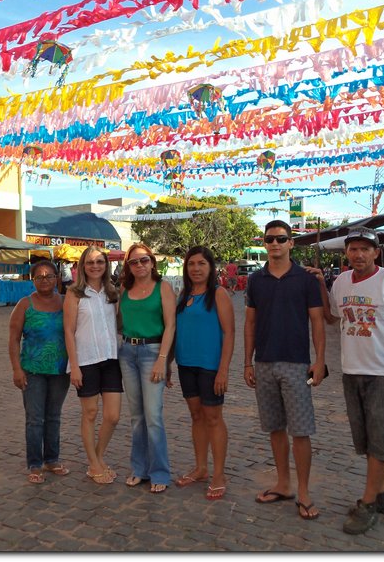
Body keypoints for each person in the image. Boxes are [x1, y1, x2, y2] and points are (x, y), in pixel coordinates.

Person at [313, 227, 384, 535]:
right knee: (367, 440)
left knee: (381, 438)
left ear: (376, 253)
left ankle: (368, 502)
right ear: (346, 253)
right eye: (353, 249)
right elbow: (333, 318)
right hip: (352, 371)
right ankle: (382, 494)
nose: (358, 254)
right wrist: (321, 284)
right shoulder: (342, 281)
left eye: (365, 249)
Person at [243, 219, 326, 520]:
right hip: (264, 363)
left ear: (291, 243)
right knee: (275, 429)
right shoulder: (255, 280)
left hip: (296, 363)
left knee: (301, 431)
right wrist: (246, 361)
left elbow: (317, 321)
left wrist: (319, 361)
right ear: (264, 244)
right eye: (269, 239)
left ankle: (303, 492)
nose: (275, 244)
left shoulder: (305, 279)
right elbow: (250, 322)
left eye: (281, 239)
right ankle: (283, 483)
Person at [171, 246, 235, 501]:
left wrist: (223, 370)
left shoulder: (218, 294)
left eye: (201, 264)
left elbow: (229, 333)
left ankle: (219, 474)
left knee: (213, 418)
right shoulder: (183, 295)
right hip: (186, 365)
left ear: (210, 267)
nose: (196, 269)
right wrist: (168, 364)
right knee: (196, 416)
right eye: (191, 264)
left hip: (210, 366)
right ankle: (200, 468)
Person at [118, 243, 176, 493]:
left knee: (153, 416)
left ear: (152, 262)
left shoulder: (163, 287)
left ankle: (160, 472)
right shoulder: (124, 288)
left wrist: (163, 359)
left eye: (144, 260)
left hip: (153, 352)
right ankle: (139, 469)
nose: (139, 265)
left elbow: (170, 326)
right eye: (134, 262)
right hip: (127, 353)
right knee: (136, 417)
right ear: (128, 266)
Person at [8, 259, 71, 484]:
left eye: (49, 276)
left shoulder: (66, 302)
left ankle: (52, 459)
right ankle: (35, 464)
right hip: (32, 370)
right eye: (39, 277)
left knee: (53, 416)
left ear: (57, 278)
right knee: (35, 419)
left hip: (60, 370)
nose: (45, 280)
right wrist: (17, 369)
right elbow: (14, 339)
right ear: (32, 280)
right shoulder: (24, 305)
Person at [63, 246, 122, 485]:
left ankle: (97, 457)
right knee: (90, 413)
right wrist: (74, 366)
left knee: (113, 415)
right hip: (85, 360)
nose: (95, 266)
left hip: (110, 359)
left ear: (106, 265)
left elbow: (117, 324)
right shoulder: (74, 294)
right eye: (90, 262)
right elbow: (68, 330)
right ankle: (95, 463)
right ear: (82, 266)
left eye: (99, 261)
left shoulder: (112, 292)